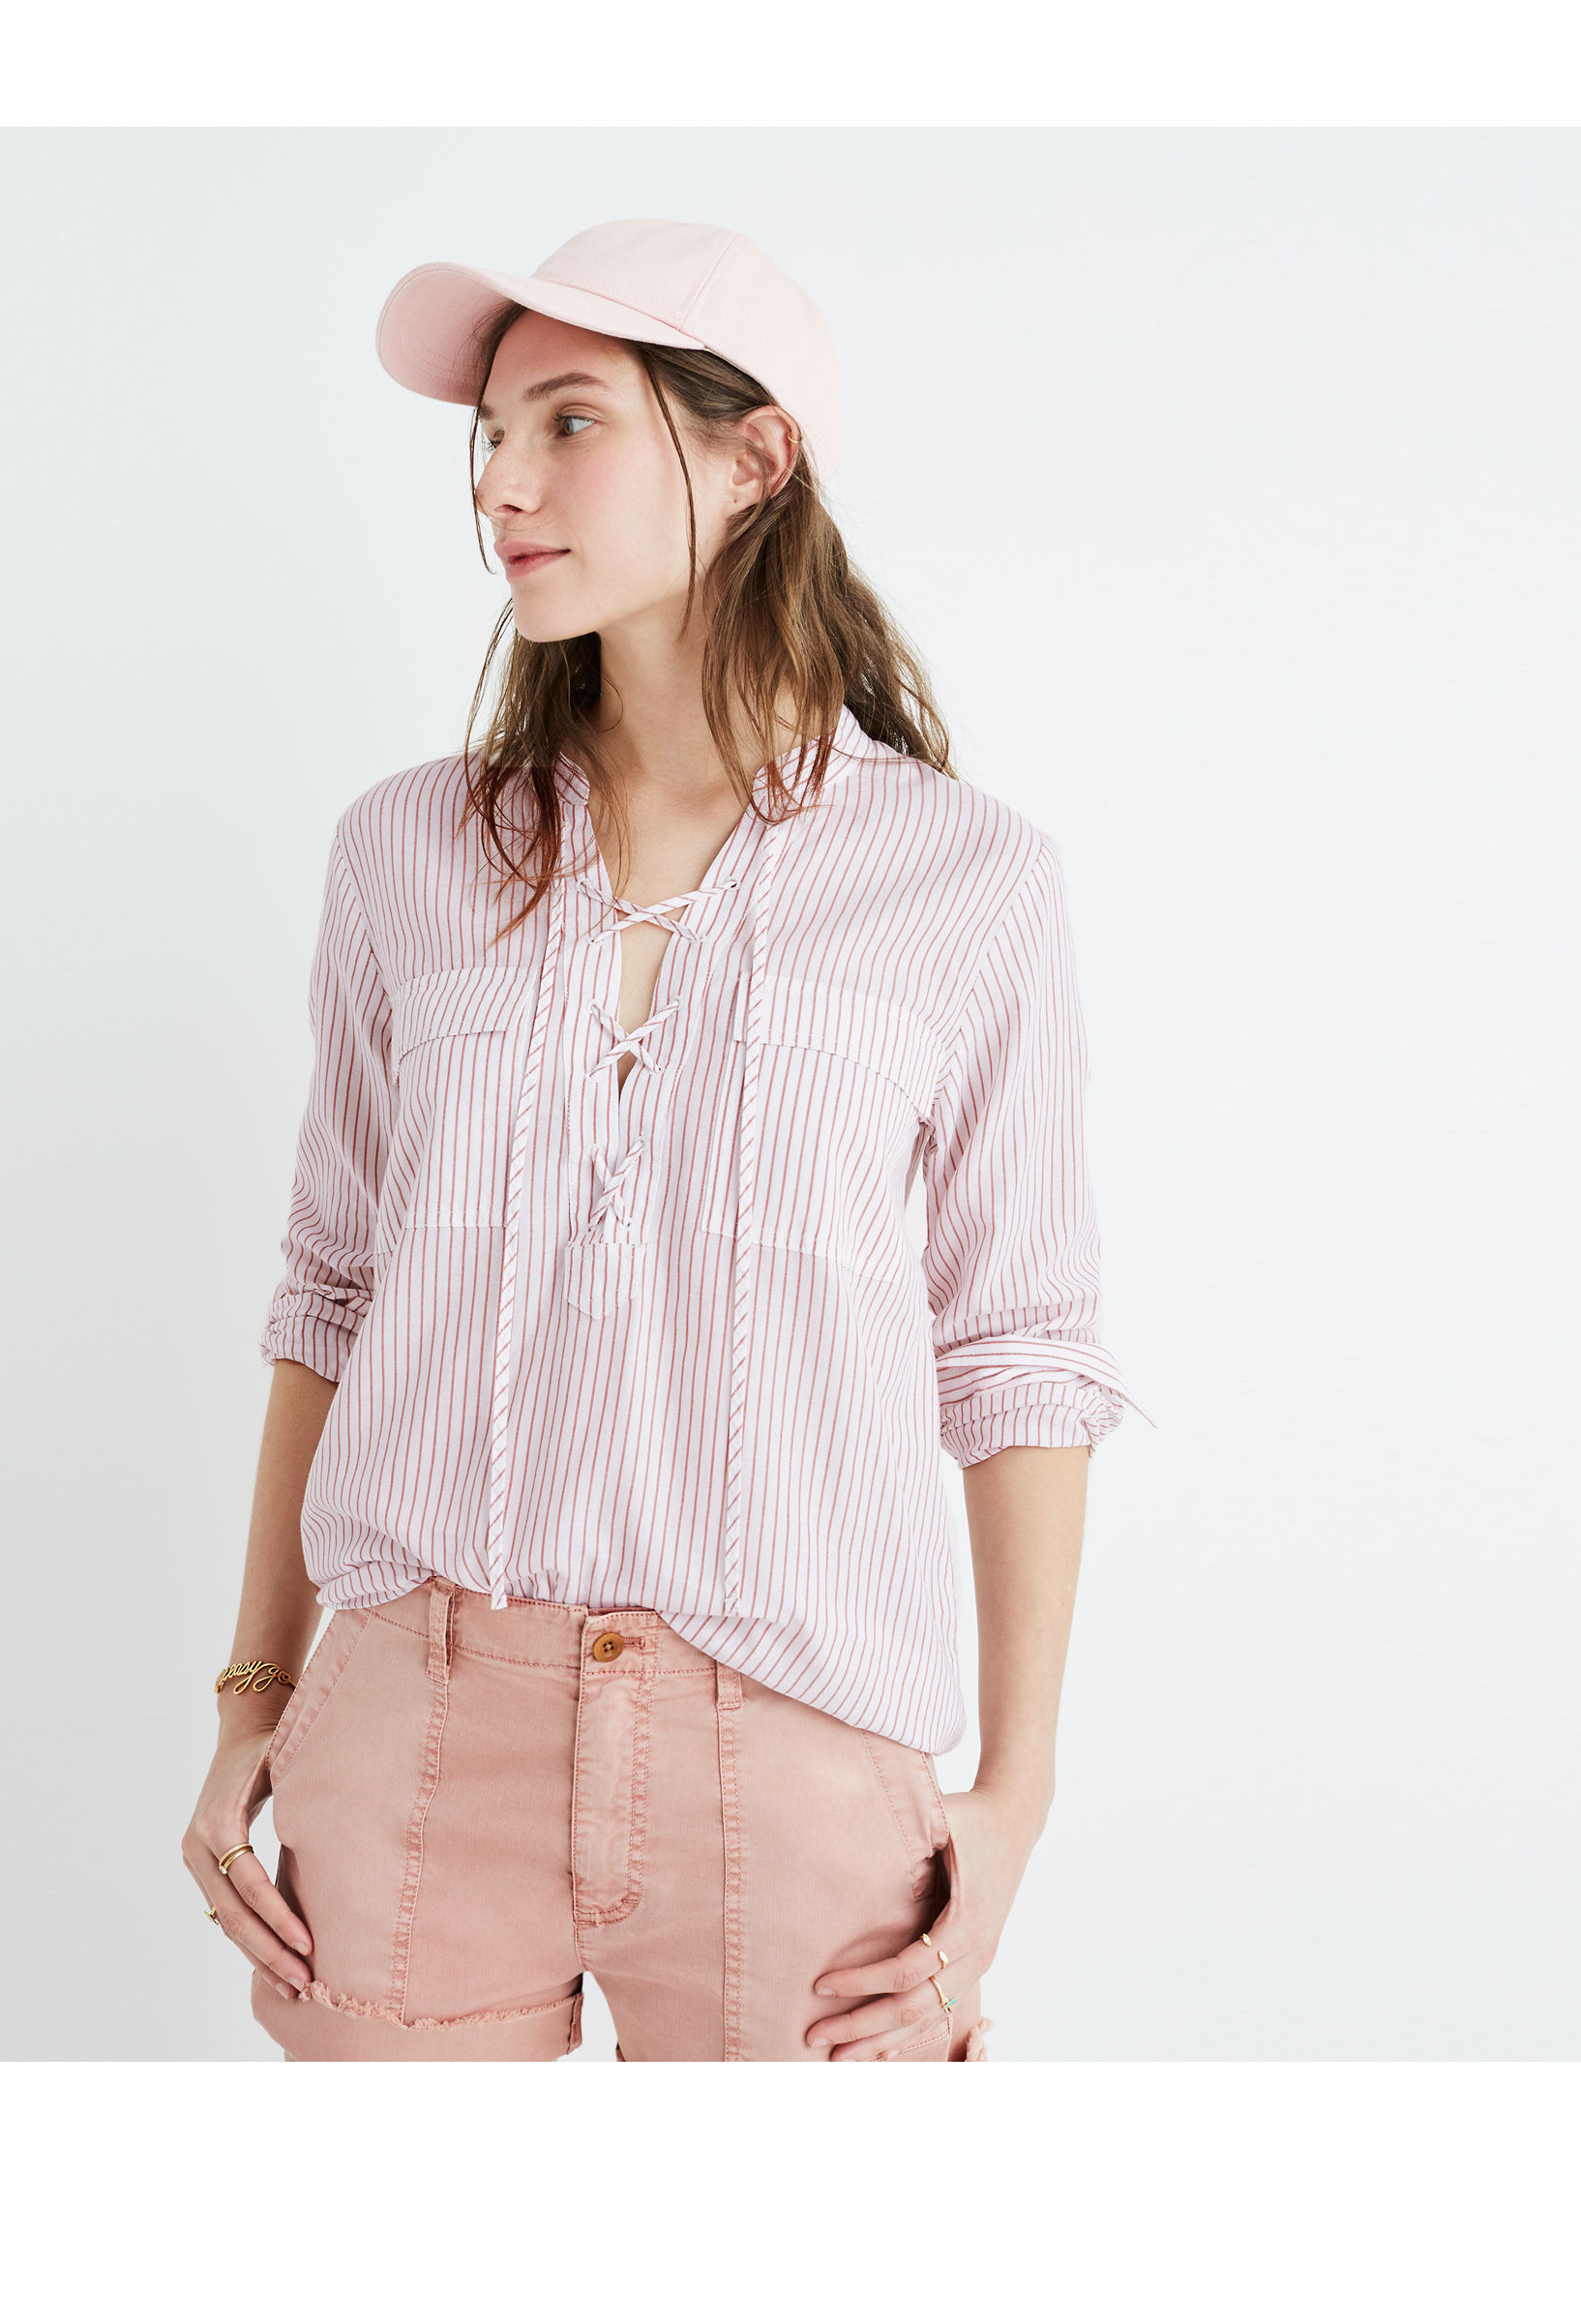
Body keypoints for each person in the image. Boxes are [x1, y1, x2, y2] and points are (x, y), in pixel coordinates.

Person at [182, 218, 1136, 2061]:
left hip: (797, 1748)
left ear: (755, 456)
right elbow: (332, 1292)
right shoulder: (404, 853)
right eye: (489, 437)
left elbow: (1019, 1351)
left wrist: (1017, 1795)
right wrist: (250, 1698)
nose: (501, 484)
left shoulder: (967, 881)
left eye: (568, 423)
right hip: (414, 1726)